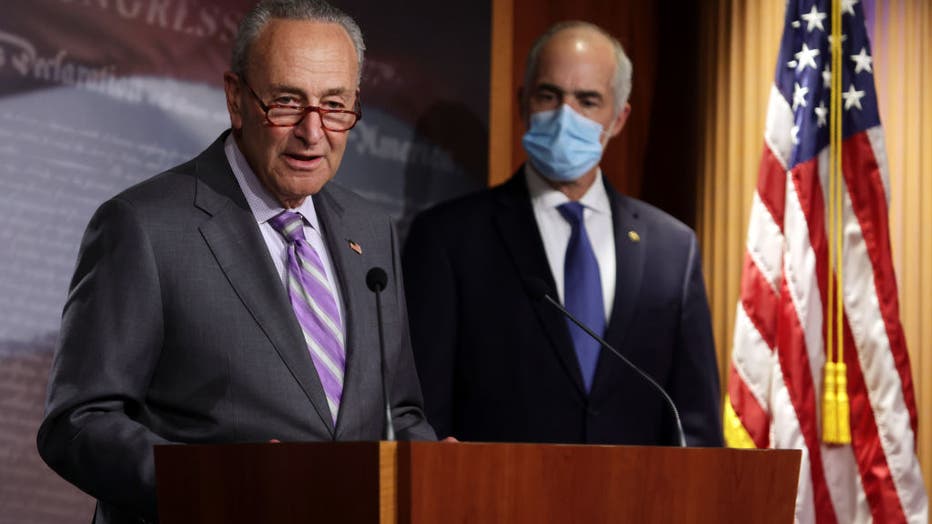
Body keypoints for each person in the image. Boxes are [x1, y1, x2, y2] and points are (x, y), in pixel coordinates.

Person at [36, 1, 435, 522]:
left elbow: (397, 411)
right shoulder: (143, 226)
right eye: (287, 102)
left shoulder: (371, 231)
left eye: (334, 106)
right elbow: (79, 421)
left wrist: (432, 466)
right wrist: (215, 484)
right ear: (236, 98)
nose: (313, 133)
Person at [403, 21, 723, 447]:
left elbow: (696, 425)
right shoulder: (449, 237)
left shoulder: (673, 248)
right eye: (549, 96)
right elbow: (424, 413)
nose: (565, 115)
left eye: (588, 100)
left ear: (619, 117)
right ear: (523, 104)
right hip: (497, 503)